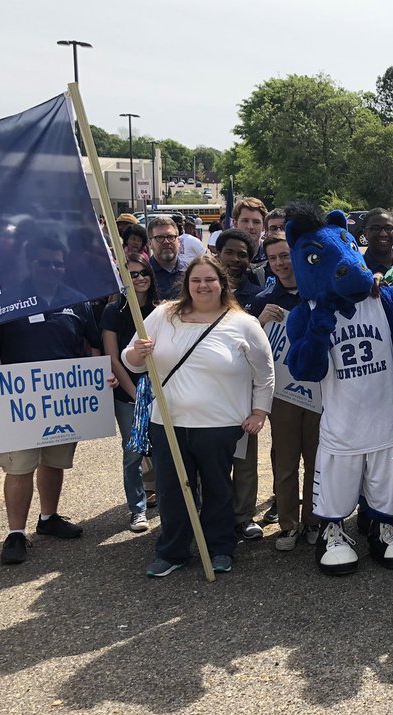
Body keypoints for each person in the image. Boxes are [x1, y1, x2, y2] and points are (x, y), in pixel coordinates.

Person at [124, 255, 274, 577]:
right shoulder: (163, 315)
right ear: (187, 285)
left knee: (218, 489)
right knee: (172, 489)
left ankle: (219, 548)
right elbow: (131, 360)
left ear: (222, 284)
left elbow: (265, 373)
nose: (203, 286)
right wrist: (137, 353)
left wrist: (260, 411)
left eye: (210, 280)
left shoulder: (243, 323)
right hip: (167, 422)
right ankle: (173, 550)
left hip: (220, 425)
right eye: (196, 281)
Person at [0, 235, 108, 565]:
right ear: (30, 263)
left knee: (55, 461)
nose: (52, 268)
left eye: (57, 263)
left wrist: (97, 377)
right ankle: (15, 533)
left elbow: (92, 345)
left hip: (63, 400)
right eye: (44, 262)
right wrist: (0, 382)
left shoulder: (77, 300)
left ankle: (48, 518)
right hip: (21, 400)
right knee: (21, 466)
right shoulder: (9, 300)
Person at [251, 234, 322, 550]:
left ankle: (313, 521)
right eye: (273, 259)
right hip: (282, 394)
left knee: (317, 459)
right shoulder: (265, 299)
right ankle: (288, 524)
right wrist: (258, 322)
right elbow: (249, 351)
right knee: (286, 461)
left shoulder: (319, 292)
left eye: (285, 256)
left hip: (319, 392)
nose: (280, 264)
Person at [100, 254, 161, 533]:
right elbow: (112, 357)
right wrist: (134, 393)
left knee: (166, 450)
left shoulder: (162, 309)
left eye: (143, 272)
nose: (139, 278)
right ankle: (137, 509)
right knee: (133, 452)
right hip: (130, 394)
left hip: (163, 392)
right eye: (132, 274)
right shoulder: (113, 312)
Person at [215, 227, 267, 539]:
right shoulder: (203, 292)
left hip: (245, 391)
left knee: (244, 458)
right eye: (230, 253)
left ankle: (243, 515)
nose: (236, 259)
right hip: (211, 390)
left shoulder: (257, 295)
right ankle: (216, 515)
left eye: (243, 254)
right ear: (217, 255)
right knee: (212, 459)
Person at [147, 215, 193, 298]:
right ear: (150, 243)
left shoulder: (191, 272)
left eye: (171, 237)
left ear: (178, 241)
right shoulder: (143, 275)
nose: (166, 242)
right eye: (160, 237)